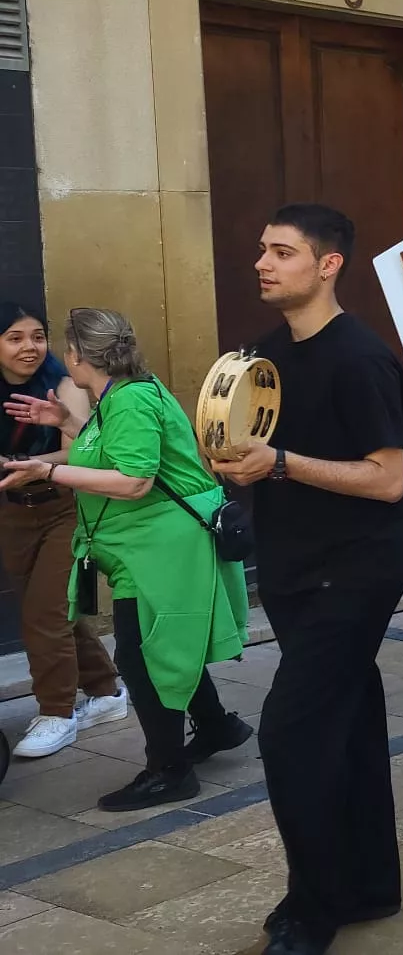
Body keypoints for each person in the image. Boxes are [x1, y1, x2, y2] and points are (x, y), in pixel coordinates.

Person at [210, 204, 403, 955]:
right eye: (262, 249)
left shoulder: (361, 359)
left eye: (283, 252)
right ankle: (370, 885)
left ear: (328, 265)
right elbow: (246, 449)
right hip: (293, 567)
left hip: (355, 570)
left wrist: (280, 464)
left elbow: (389, 480)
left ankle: (313, 906)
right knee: (350, 720)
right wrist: (233, 462)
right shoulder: (262, 357)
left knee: (291, 734)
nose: (263, 263)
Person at [2, 308, 252, 811]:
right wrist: (66, 423)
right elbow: (111, 454)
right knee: (161, 648)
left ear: (79, 355)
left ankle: (169, 771)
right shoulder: (119, 395)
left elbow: (134, 480)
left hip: (163, 550)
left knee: (139, 659)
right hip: (145, 549)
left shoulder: (131, 399)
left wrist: (48, 473)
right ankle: (216, 726)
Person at [0, 301, 125, 760]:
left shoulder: (65, 384)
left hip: (64, 508)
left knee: (44, 615)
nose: (29, 347)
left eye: (37, 337)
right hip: (11, 514)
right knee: (55, 611)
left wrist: (26, 465)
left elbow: (78, 451)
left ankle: (56, 712)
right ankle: (107, 692)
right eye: (15, 338)